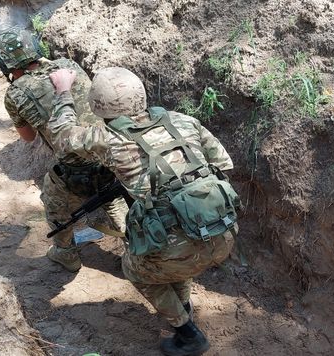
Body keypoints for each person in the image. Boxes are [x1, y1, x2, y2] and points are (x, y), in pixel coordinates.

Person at [47, 67, 240, 356]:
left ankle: (187, 334)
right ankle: (183, 303)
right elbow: (223, 165)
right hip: (221, 230)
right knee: (171, 241)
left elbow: (61, 136)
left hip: (179, 249)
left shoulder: (106, 137)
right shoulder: (183, 121)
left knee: (135, 269)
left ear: (97, 104)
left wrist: (63, 91)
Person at [0, 30, 129, 272]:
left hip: (76, 166)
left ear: (4, 64)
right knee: (113, 196)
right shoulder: (67, 64)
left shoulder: (14, 93)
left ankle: (66, 253)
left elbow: (29, 137)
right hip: (110, 150)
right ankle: (135, 244)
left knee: (53, 199)